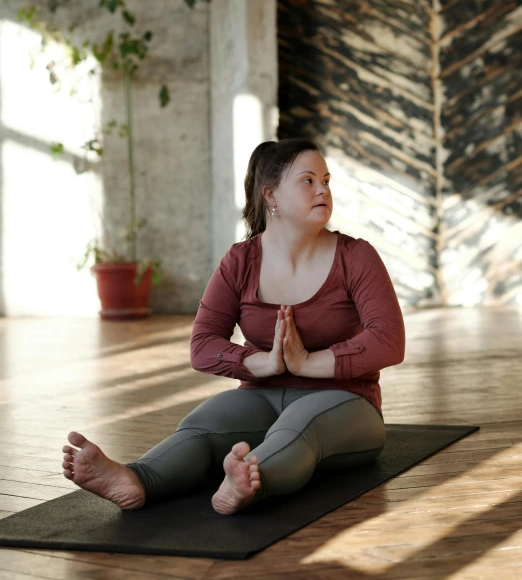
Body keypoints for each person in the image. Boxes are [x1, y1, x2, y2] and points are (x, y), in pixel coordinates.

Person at [62, 137, 405, 515]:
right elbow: (203, 343)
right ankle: (137, 480)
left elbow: (388, 340)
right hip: (260, 395)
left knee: (299, 427)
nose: (323, 188)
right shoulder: (241, 260)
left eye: (326, 179)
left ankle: (248, 484)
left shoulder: (355, 256)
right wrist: (264, 363)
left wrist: (308, 363)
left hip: (347, 402)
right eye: (308, 180)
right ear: (271, 195)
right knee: (203, 424)